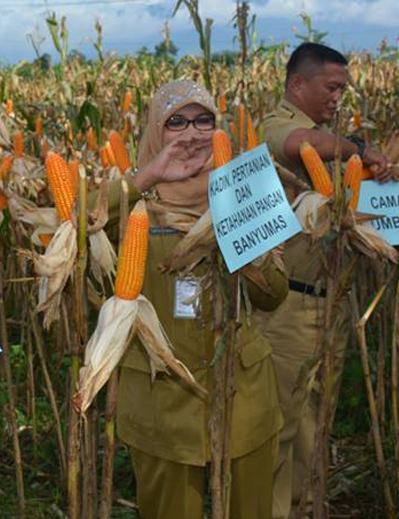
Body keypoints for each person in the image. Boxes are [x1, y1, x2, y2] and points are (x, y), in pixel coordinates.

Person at [114, 80, 288, 519]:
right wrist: (150, 176)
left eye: (204, 120)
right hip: (162, 399)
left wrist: (238, 238)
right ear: (156, 129)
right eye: (176, 122)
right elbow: (78, 227)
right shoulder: (130, 199)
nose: (192, 134)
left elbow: (274, 295)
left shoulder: (249, 193)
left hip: (242, 390)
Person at [254, 42, 392, 519]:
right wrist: (360, 150)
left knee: (315, 424)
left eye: (343, 90)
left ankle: (307, 508)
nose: (338, 98)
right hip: (288, 308)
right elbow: (300, 148)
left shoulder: (328, 139)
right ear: (298, 85)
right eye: (332, 88)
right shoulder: (279, 126)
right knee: (281, 427)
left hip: (327, 302)